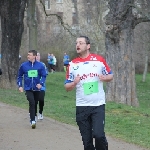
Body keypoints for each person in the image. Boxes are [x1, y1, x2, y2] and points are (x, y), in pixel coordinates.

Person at [64, 36, 113, 150]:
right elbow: (67, 86)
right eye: (76, 43)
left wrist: (105, 78)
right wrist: (74, 83)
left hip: (98, 105)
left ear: (88, 46)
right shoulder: (72, 64)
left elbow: (110, 75)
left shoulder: (99, 60)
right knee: (87, 142)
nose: (78, 45)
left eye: (81, 43)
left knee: (99, 135)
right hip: (82, 106)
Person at [17, 50, 47, 129]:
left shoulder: (40, 65)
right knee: (32, 102)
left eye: (29, 55)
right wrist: (20, 86)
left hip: (37, 89)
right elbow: (19, 76)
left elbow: (44, 76)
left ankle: (33, 116)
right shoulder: (24, 65)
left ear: (34, 56)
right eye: (28, 55)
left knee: (35, 103)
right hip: (28, 88)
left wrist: (41, 83)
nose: (28, 56)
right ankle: (32, 120)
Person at [36, 52, 48, 120]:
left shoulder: (43, 65)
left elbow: (45, 74)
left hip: (41, 86)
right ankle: (33, 113)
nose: (37, 57)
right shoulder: (31, 65)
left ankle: (40, 112)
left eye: (39, 55)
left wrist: (41, 82)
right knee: (33, 100)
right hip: (33, 86)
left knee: (41, 99)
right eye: (36, 56)